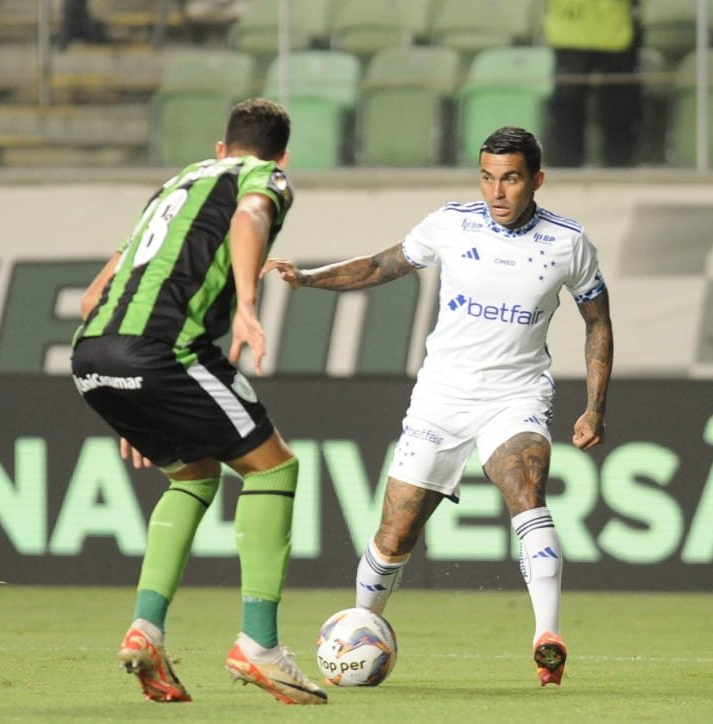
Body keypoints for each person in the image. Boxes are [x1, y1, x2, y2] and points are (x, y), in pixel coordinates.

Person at [261, 126, 614, 687]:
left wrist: (594, 406)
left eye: (511, 179)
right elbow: (380, 266)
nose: (497, 192)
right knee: (396, 532)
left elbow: (597, 321)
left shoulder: (568, 243)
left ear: (536, 181)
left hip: (516, 394)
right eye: (488, 177)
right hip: (440, 398)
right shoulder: (451, 223)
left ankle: (548, 635)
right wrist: (309, 278)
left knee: (526, 486)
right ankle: (360, 635)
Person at [70, 98, 326, 706]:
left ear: (220, 147)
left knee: (195, 476)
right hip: (164, 352)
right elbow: (250, 218)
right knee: (276, 468)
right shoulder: (264, 176)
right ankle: (258, 646)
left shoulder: (174, 185)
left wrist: (139, 405)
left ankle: (146, 630)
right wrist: (245, 302)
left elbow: (91, 299)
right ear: (281, 155)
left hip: (92, 356)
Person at [543, 0, 643, 167]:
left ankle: (567, 165)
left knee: (571, 105)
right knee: (614, 105)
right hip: (604, 30)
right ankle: (618, 165)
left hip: (580, 29)